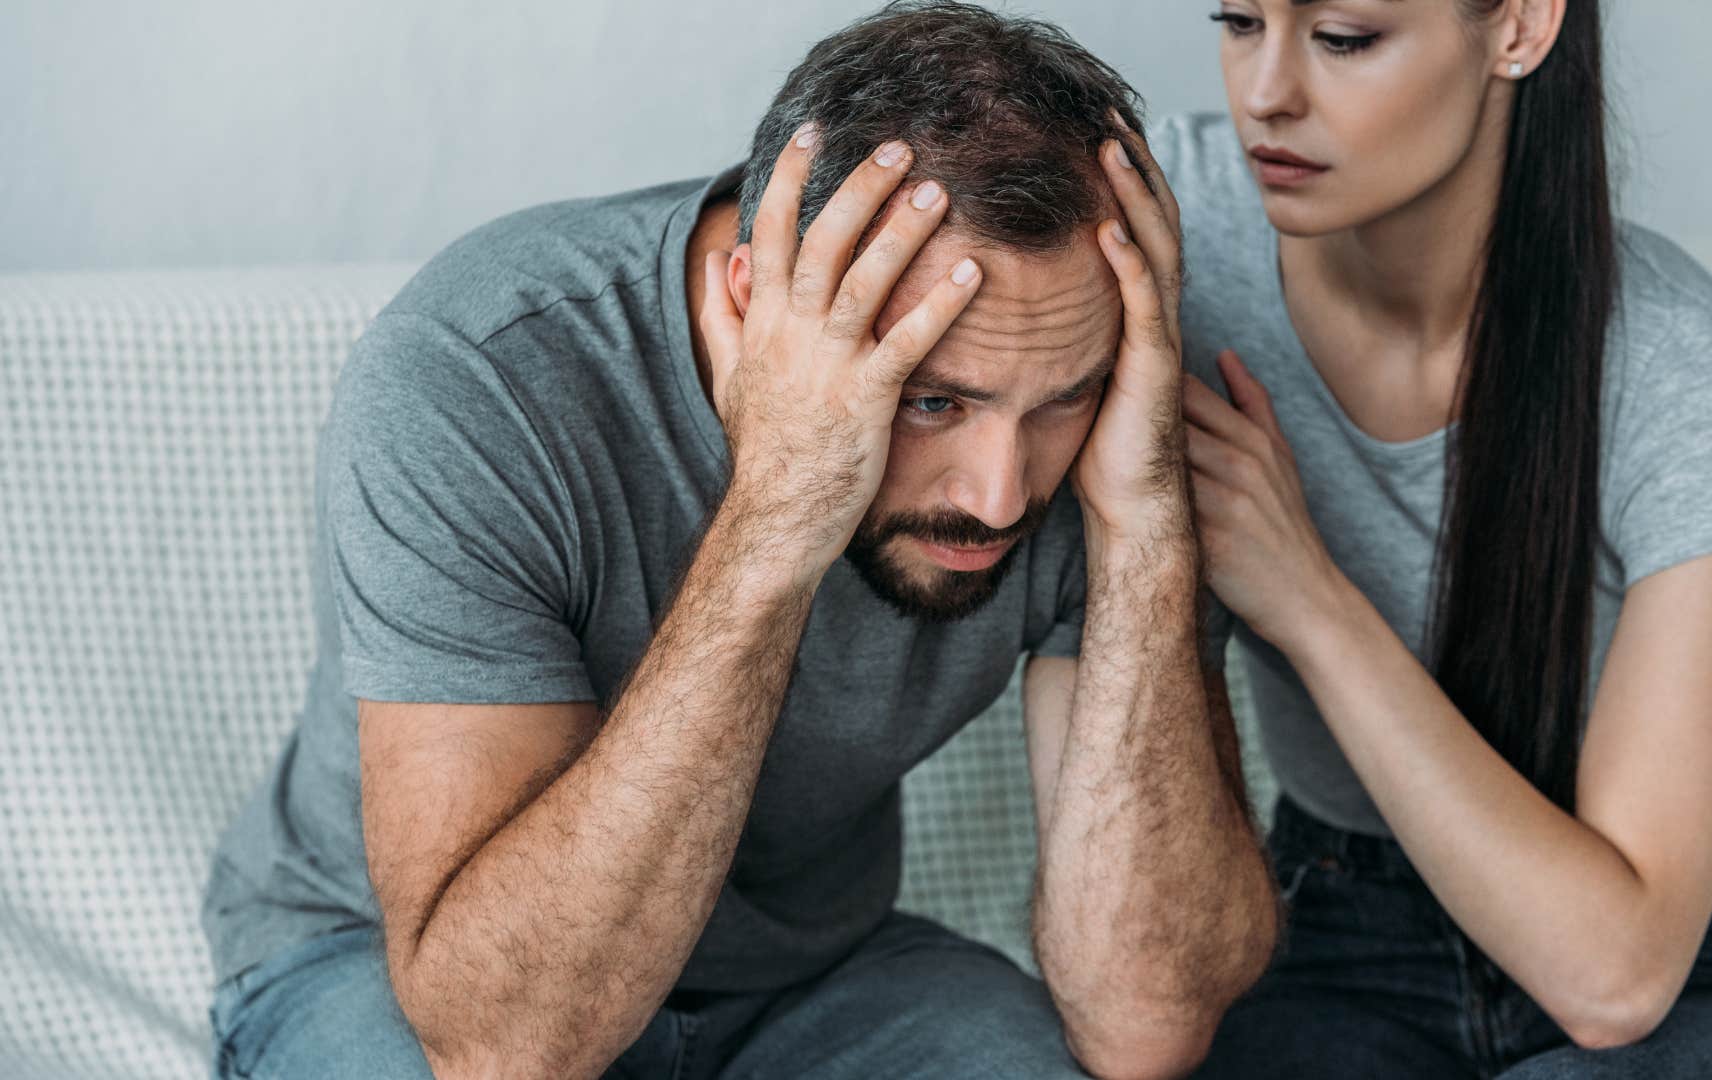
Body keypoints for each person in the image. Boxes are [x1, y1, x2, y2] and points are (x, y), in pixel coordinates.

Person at [199, 4, 1278, 1078]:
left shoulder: (1105, 409)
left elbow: (1146, 1026)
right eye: (932, 403)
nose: (999, 497)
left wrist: (1143, 526)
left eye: (1062, 400)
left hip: (806, 982)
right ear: (757, 302)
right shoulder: (481, 373)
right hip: (406, 971)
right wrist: (779, 509)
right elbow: (506, 1046)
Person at [1152, 1, 1712, 1076]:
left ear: (1519, 26)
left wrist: (1311, 601)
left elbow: (1616, 976)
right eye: (1241, 21)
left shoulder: (1678, 366)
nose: (1263, 93)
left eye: (1343, 38)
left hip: (1665, 932)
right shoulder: (1171, 229)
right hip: (1333, 916)